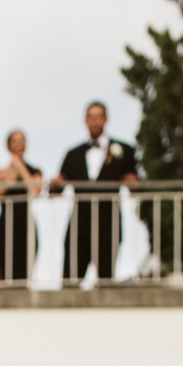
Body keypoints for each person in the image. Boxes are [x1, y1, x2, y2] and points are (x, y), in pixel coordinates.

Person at [51, 99, 139, 281]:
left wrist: (133, 183)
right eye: (91, 117)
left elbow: (136, 188)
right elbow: (55, 191)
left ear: (106, 119)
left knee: (106, 282)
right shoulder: (72, 154)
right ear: (85, 120)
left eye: (99, 117)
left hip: (109, 224)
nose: (95, 121)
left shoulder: (125, 150)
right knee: (70, 283)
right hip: (78, 225)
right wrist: (55, 185)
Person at [0, 129, 44, 282]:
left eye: (22, 141)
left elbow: (36, 191)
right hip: (5, 225)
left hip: (26, 225)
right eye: (15, 141)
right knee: (3, 270)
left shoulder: (35, 171)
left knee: (25, 272)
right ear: (8, 145)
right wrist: (10, 181)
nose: (19, 144)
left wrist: (21, 169)